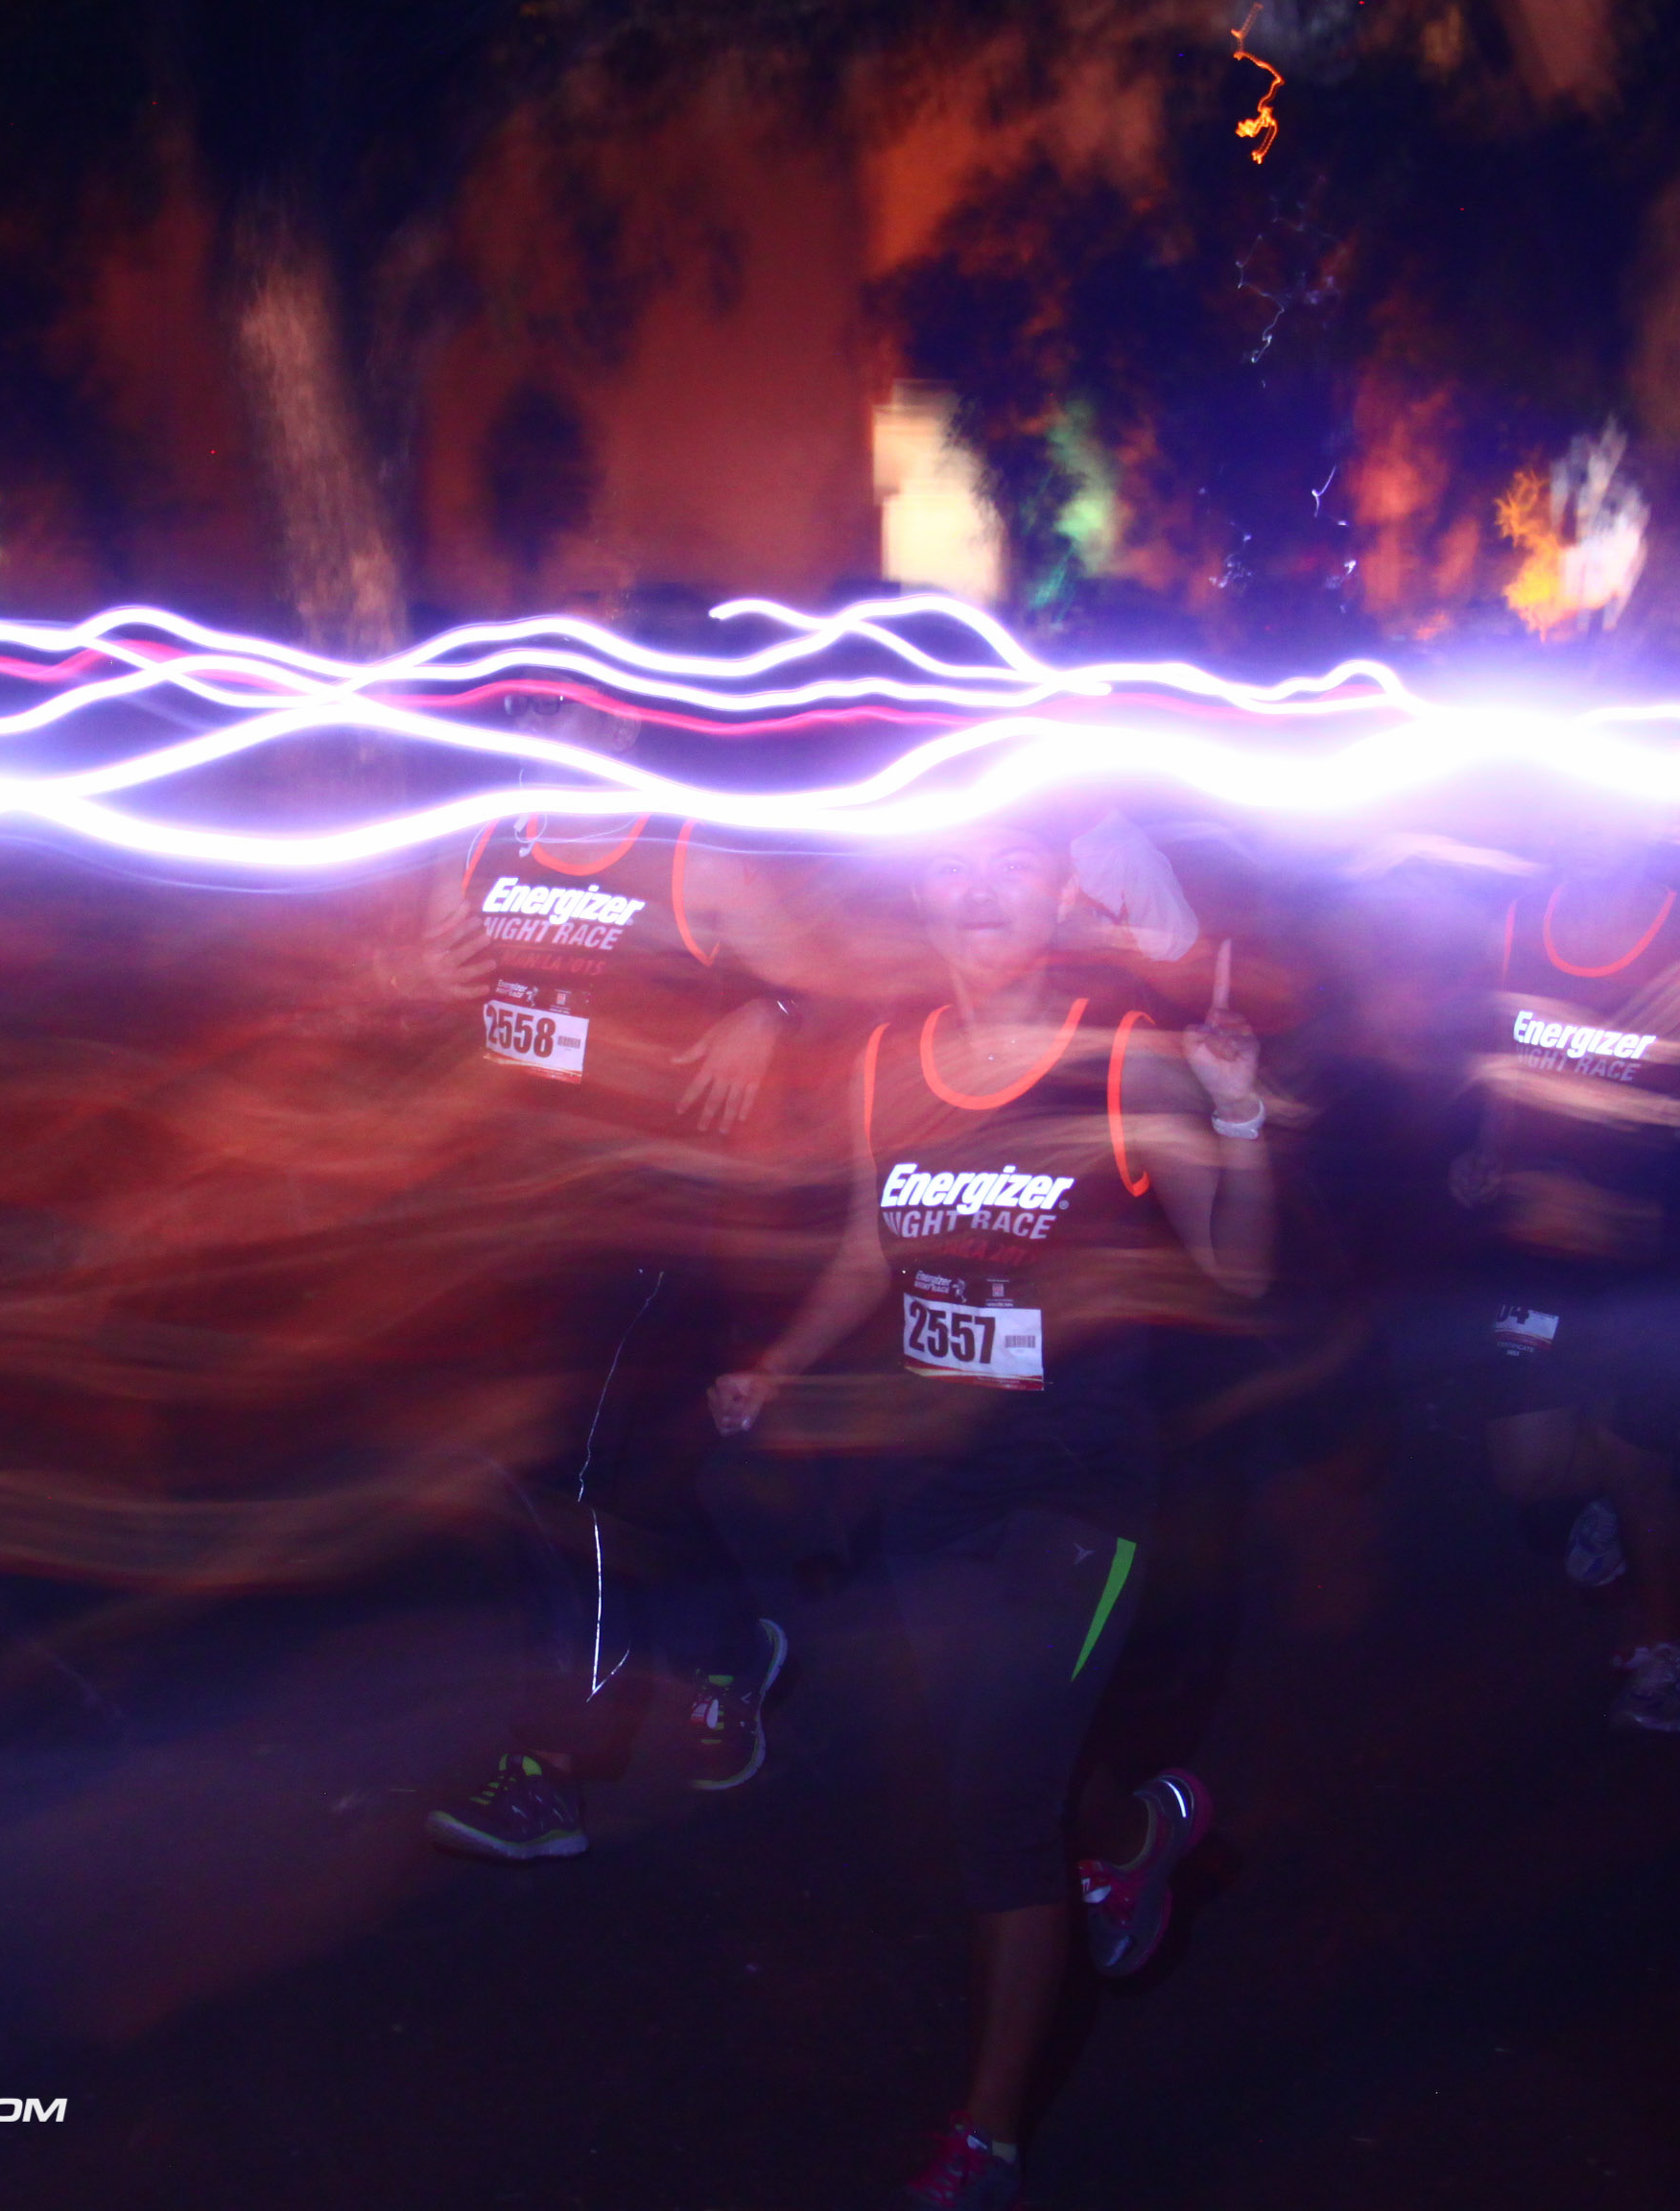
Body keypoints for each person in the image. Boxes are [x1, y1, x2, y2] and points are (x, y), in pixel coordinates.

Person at [708, 812, 1272, 2210]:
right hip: (934, 1485)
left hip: (1079, 1485)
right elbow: (867, 1246)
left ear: (1061, 897)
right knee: (1002, 1754)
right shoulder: (885, 1061)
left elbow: (1237, 1272)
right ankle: (1140, 1837)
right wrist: (779, 1362)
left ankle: (988, 2137)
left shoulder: (1122, 1058)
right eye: (953, 867)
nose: (978, 891)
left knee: (998, 1804)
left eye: (1011, 864)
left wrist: (1240, 1115)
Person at [393, 691, 810, 1859]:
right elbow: (416, 991)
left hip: (648, 1214)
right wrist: (417, 977)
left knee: (562, 1470)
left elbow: (833, 974)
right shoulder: (477, 844)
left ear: (620, 729)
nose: (536, 734)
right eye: (521, 710)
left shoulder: (691, 859)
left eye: (565, 714)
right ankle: (733, 1649)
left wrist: (770, 1011)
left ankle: (552, 1766)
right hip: (510, 1212)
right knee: (633, 1480)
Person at [1454, 829, 1680, 1731]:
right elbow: (1505, 1057)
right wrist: (1487, 1154)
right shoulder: (1518, 922)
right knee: (1527, 1470)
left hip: (1648, 1258)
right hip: (1535, 1251)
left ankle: (1672, 1647)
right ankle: (1622, 1496)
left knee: (1635, 1454)